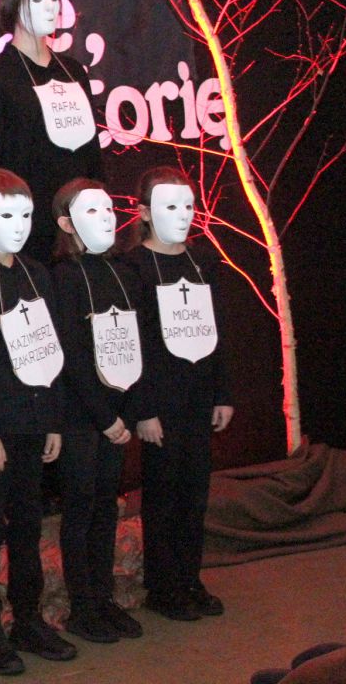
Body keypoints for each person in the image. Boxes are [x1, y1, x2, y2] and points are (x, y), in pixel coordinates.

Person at [0, 169, 75, 675]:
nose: (20, 226)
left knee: (27, 525)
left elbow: (49, 350)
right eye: (7, 216)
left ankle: (28, 618)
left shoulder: (37, 274)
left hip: (31, 423)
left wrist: (52, 420)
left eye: (26, 215)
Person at [123, 166, 233, 621]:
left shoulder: (203, 263)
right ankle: (163, 586)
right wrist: (143, 409)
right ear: (145, 212)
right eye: (170, 206)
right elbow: (132, 345)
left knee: (194, 493)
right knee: (164, 494)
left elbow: (217, 330)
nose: (183, 215)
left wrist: (222, 392)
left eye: (188, 206)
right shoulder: (132, 267)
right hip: (159, 401)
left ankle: (190, 578)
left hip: (198, 395)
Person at [51, 178, 149, 644]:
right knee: (81, 507)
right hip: (82, 415)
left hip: (117, 413)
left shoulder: (124, 272)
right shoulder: (64, 277)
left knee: (106, 506)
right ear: (66, 224)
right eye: (91, 211)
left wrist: (128, 411)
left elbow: (136, 343)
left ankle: (104, 598)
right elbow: (70, 354)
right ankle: (83, 607)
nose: (106, 218)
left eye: (109, 209)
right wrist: (103, 418)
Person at [0, 0, 103, 264]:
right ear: (13, 5)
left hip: (79, 223)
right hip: (26, 227)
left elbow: (93, 151)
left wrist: (98, 199)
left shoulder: (73, 71)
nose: (50, 7)